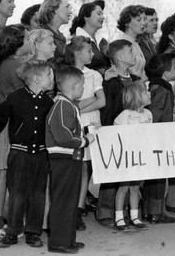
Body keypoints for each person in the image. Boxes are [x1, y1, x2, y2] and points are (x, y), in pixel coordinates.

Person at [0, 61, 54, 248]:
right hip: (19, 155)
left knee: (38, 194)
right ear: (37, 78)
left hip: (41, 155)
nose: (51, 79)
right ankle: (13, 232)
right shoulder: (14, 97)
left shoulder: (49, 101)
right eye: (49, 75)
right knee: (17, 194)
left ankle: (33, 232)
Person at [0, 24, 33, 239]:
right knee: (3, 173)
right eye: (28, 38)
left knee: (5, 173)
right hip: (6, 124)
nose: (31, 41)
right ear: (18, 42)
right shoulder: (15, 66)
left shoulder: (11, 63)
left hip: (7, 121)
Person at [46, 66, 95, 254]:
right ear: (74, 86)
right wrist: (85, 140)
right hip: (62, 160)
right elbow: (63, 136)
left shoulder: (68, 104)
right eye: (82, 85)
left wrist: (85, 130)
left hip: (71, 158)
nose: (83, 88)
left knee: (70, 201)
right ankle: (58, 242)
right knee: (63, 201)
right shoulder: (61, 105)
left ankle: (67, 239)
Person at [96, 39, 140, 227]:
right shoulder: (111, 83)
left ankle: (131, 211)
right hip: (115, 133)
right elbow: (107, 111)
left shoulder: (137, 80)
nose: (134, 55)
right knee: (112, 174)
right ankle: (105, 210)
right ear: (121, 57)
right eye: (130, 51)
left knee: (132, 176)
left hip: (135, 136)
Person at [64, 36, 106, 231]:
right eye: (88, 51)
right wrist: (80, 105)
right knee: (72, 167)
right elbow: (67, 102)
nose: (92, 54)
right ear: (77, 53)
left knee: (85, 168)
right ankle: (68, 207)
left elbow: (101, 101)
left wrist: (79, 106)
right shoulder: (65, 74)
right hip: (72, 123)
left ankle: (78, 210)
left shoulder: (93, 75)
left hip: (90, 122)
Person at [112, 81, 152, 231]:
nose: (149, 93)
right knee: (123, 187)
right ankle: (119, 217)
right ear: (137, 96)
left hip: (141, 157)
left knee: (135, 187)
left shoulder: (149, 114)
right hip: (127, 157)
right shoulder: (124, 116)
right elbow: (117, 136)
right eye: (146, 91)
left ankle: (135, 216)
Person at [143, 53, 175, 224]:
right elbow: (154, 115)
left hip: (158, 137)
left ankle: (150, 211)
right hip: (158, 138)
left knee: (154, 177)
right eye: (174, 66)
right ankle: (155, 212)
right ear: (166, 72)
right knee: (157, 177)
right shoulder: (162, 90)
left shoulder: (158, 87)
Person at [69, 1, 110, 75]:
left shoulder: (103, 41)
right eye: (99, 14)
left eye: (102, 14)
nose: (103, 17)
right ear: (86, 17)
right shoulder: (74, 40)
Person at [37, 0, 72, 67]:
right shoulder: (42, 35)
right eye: (66, 7)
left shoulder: (61, 36)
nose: (70, 11)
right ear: (55, 9)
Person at [115, 5, 147, 80]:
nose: (143, 23)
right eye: (139, 20)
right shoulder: (121, 45)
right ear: (127, 23)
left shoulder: (135, 43)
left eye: (144, 19)